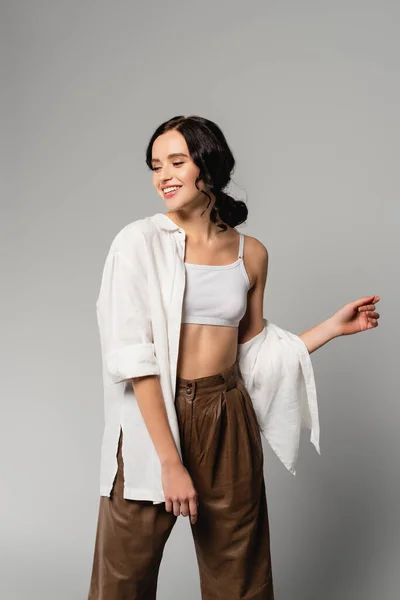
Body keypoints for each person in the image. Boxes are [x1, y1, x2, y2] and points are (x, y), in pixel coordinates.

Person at [87, 115, 381, 600]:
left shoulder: (252, 253)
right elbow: (135, 358)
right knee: (124, 576)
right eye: (155, 165)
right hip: (154, 414)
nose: (164, 175)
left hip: (227, 415)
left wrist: (331, 328)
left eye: (177, 161)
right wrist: (169, 460)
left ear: (209, 163)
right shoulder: (137, 242)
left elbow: (256, 353)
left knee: (239, 577)